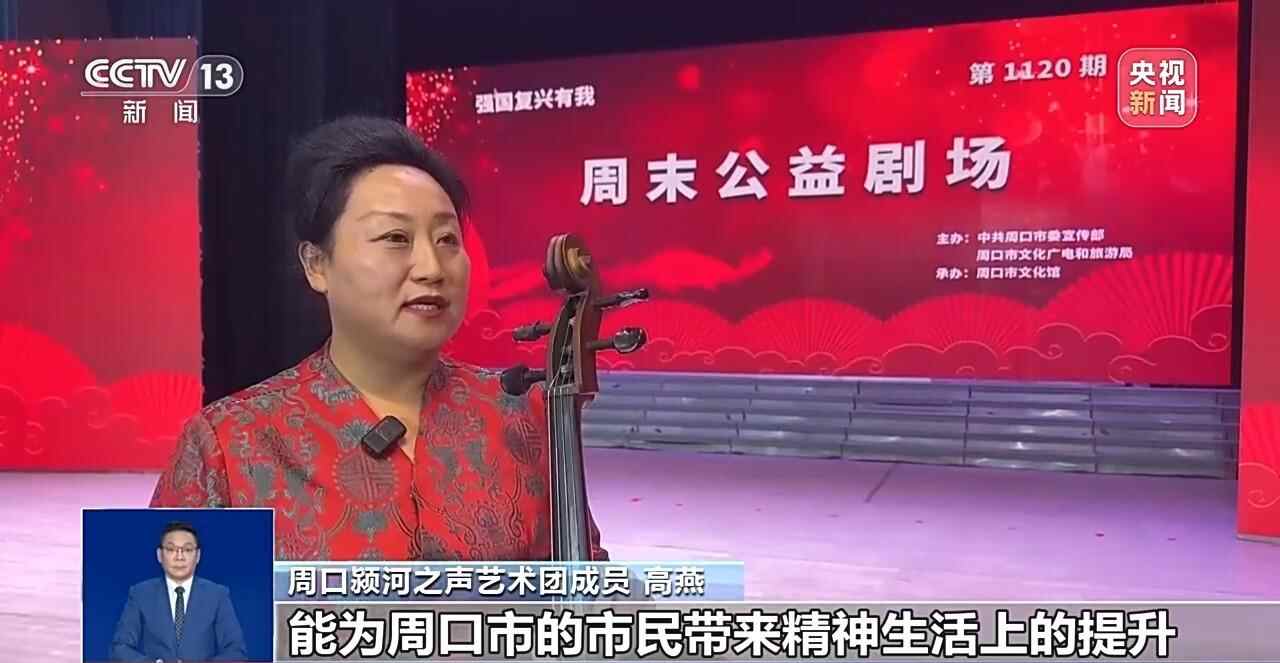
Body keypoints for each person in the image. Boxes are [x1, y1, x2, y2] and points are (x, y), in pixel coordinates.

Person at [150, 115, 608, 561]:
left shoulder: (523, 416)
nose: (431, 268)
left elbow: (587, 588)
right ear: (316, 264)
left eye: (447, 239)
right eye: (395, 237)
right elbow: (164, 607)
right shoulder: (229, 442)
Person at [110, 522, 247, 662]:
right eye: (171, 549)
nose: (179, 557)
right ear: (159, 555)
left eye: (187, 550)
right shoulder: (140, 594)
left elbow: (236, 651)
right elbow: (120, 648)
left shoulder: (217, 595)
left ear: (198, 555)